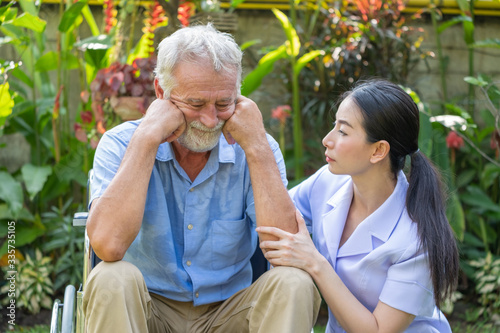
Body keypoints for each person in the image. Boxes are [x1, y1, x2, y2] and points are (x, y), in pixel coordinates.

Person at [83, 24, 321, 333]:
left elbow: (287, 250)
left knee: (294, 282)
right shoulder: (120, 143)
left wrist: (257, 147)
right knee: (109, 277)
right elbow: (107, 246)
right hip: (147, 311)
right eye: (195, 104)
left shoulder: (257, 147)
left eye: (224, 103)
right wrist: (146, 139)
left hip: (230, 312)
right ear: (161, 93)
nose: (210, 120)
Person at [257, 79, 460, 333]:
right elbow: (275, 218)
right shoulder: (328, 181)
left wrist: (314, 262)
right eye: (334, 126)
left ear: (378, 151)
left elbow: (377, 331)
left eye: (343, 131)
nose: (326, 140)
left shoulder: (415, 239)